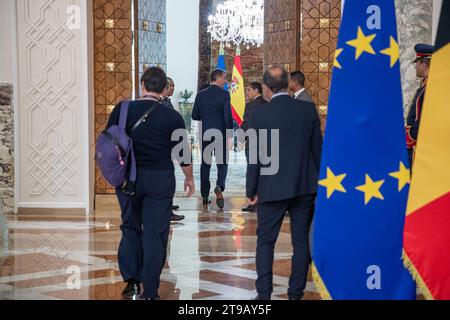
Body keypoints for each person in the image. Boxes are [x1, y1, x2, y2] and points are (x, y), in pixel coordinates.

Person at [107, 67, 195, 300]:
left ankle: (131, 281)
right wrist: (189, 178)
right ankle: (151, 291)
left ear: (142, 84)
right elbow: (182, 154)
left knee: (130, 228)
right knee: (155, 234)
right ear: (164, 89)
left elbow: (108, 143)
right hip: (160, 179)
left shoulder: (122, 109)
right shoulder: (172, 116)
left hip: (128, 179)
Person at [246, 66, 322, 300]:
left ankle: (264, 294)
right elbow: (318, 151)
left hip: (271, 188)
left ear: (266, 88)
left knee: (265, 243)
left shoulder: (259, 115)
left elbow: (255, 157)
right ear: (289, 83)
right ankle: (295, 293)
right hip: (304, 187)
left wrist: (251, 189)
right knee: (300, 243)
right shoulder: (308, 110)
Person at [192, 69, 233, 209]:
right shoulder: (224, 94)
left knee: (205, 165)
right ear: (218, 78)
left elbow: (194, 115)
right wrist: (229, 134)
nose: (226, 81)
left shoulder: (200, 95)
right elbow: (227, 116)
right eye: (224, 78)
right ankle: (219, 186)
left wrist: (206, 117)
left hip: (206, 134)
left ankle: (204, 195)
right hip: (220, 133)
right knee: (222, 163)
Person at [161, 77, 185, 222]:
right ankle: (167, 210)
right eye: (170, 86)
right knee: (166, 180)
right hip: (165, 146)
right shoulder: (162, 103)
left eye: (174, 86)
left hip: (169, 145)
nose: (173, 88)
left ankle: (168, 206)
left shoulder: (167, 101)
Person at [406, 43, 434, 168]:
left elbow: (424, 119)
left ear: (423, 64)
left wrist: (409, 136)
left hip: (419, 145)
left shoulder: (431, 87)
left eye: (417, 63)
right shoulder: (425, 85)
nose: (415, 66)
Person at [241, 82, 267, 213]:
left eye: (249, 90)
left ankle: (253, 202)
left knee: (253, 172)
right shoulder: (267, 104)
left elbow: (246, 123)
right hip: (267, 142)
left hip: (253, 142)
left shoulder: (250, 105)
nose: (247, 92)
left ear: (257, 90)